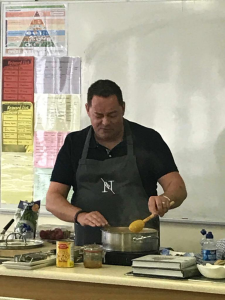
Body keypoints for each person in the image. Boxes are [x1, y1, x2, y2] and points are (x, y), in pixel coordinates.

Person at [46, 79, 187, 245]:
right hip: (89, 250)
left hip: (140, 245)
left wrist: (165, 198)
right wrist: (80, 215)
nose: (105, 122)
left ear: (123, 108)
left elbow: (178, 188)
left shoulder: (148, 139)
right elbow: (53, 199)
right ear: (87, 109)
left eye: (112, 115)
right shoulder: (74, 143)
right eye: (98, 116)